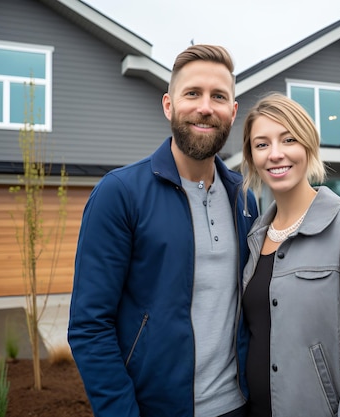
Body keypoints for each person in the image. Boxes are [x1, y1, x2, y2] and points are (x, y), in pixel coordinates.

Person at [67, 44, 258, 417]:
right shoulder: (120, 193)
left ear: (233, 113)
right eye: (193, 93)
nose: (206, 106)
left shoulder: (245, 198)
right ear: (169, 105)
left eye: (218, 96)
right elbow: (90, 326)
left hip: (240, 406)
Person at [240, 93, 340, 417]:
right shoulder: (255, 236)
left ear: (308, 145)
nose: (276, 154)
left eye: (288, 139)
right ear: (251, 156)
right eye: (262, 144)